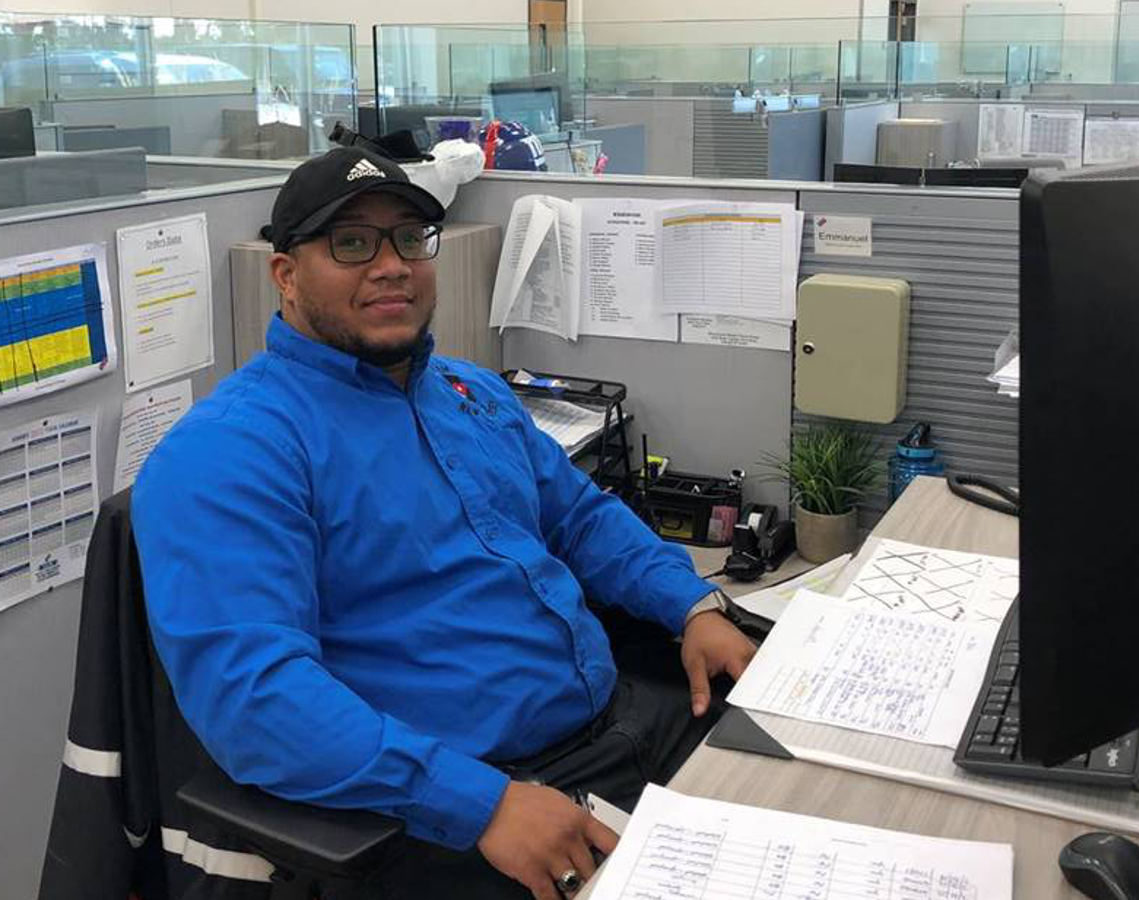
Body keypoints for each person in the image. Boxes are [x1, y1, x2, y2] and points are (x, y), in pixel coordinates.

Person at [133, 145, 757, 900]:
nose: (391, 264)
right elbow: (255, 699)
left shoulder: (472, 392)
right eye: (352, 243)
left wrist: (692, 606)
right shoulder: (231, 451)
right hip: (463, 810)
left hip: (627, 724)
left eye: (407, 238)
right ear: (286, 274)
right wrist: (480, 804)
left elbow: (583, 519)